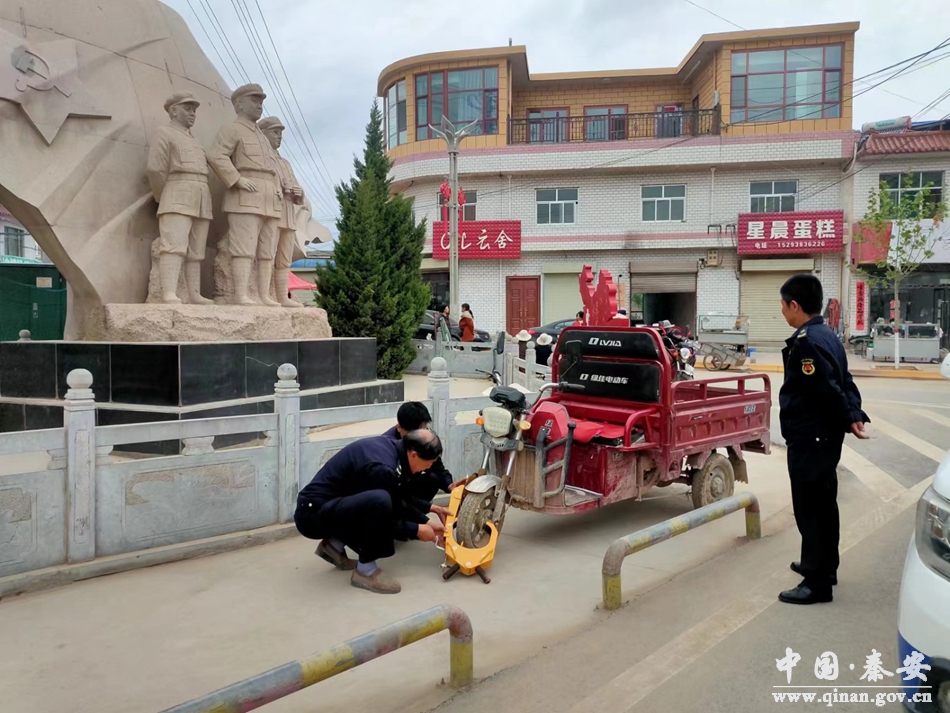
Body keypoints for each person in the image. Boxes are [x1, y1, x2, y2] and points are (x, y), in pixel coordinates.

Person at [778, 274, 869, 606]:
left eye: (783, 305)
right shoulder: (826, 335)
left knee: (811, 509)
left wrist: (848, 416)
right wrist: (853, 413)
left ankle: (817, 584)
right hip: (823, 437)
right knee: (824, 505)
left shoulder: (807, 343)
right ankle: (822, 565)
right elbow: (845, 380)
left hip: (811, 438)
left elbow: (827, 390)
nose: (782, 311)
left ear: (794, 305)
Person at [294, 430, 447, 594]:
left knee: (379, 500)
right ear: (414, 455)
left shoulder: (392, 448)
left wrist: (426, 521)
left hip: (331, 505)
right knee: (379, 501)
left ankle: (333, 546)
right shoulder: (381, 468)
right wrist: (416, 530)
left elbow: (397, 497)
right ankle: (365, 571)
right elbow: (383, 517)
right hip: (312, 516)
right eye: (429, 463)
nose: (429, 467)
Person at [382, 402, 466, 500]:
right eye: (417, 433)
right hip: (394, 489)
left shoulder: (426, 438)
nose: (422, 435)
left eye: (425, 429)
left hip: (411, 483)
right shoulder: (388, 446)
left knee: (432, 479)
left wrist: (449, 485)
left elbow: (437, 468)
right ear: (399, 428)